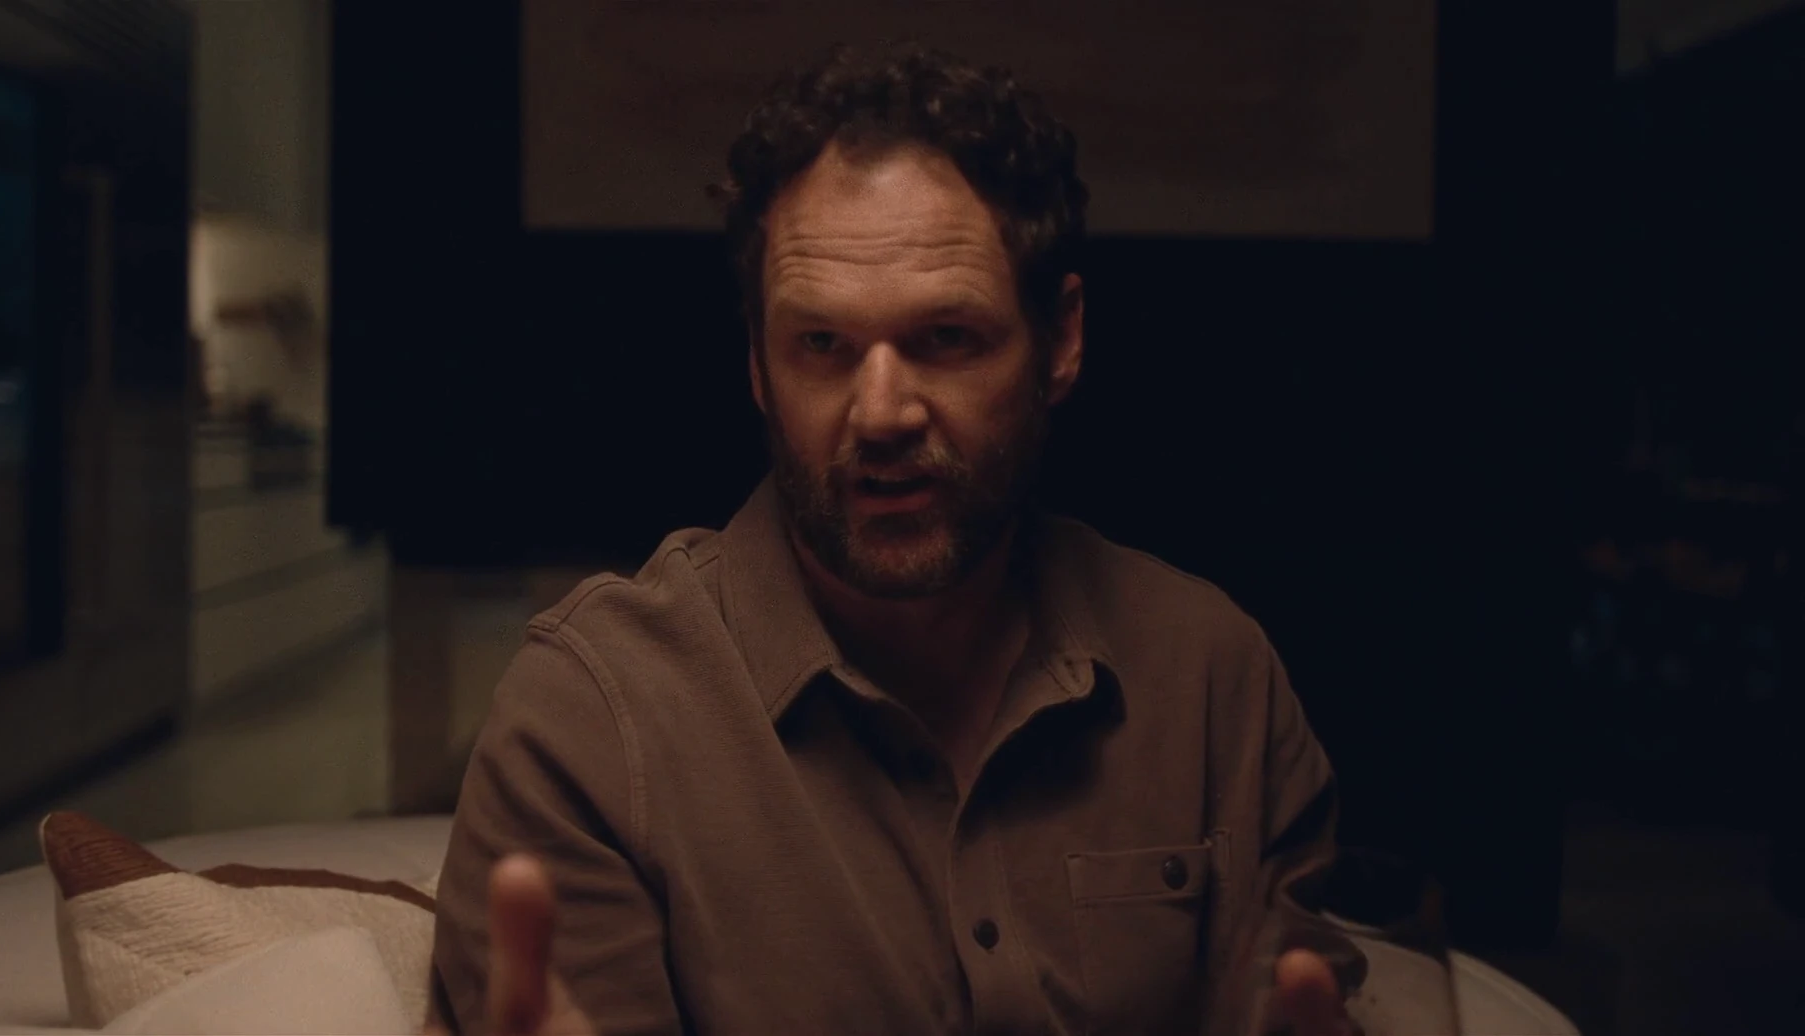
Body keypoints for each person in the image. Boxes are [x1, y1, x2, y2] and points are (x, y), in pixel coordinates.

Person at [431, 42, 1346, 1036]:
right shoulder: (594, 722)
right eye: (821, 345)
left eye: (946, 338)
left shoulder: (1210, 680)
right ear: (757, 364)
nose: (879, 413)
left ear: (1061, 341)